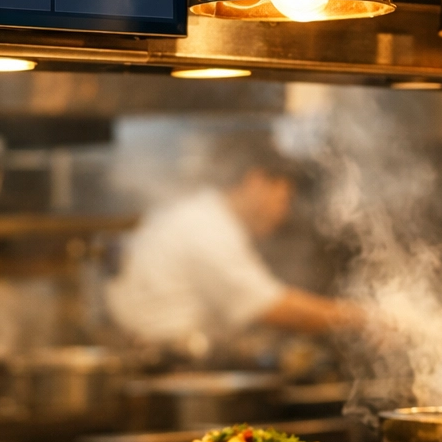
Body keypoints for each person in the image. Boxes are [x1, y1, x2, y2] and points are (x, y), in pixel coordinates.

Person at [105, 152, 356, 358]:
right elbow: (275, 307)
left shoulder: (205, 215)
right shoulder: (207, 228)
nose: (284, 213)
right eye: (283, 199)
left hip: (168, 358)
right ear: (256, 182)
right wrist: (364, 318)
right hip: (170, 363)